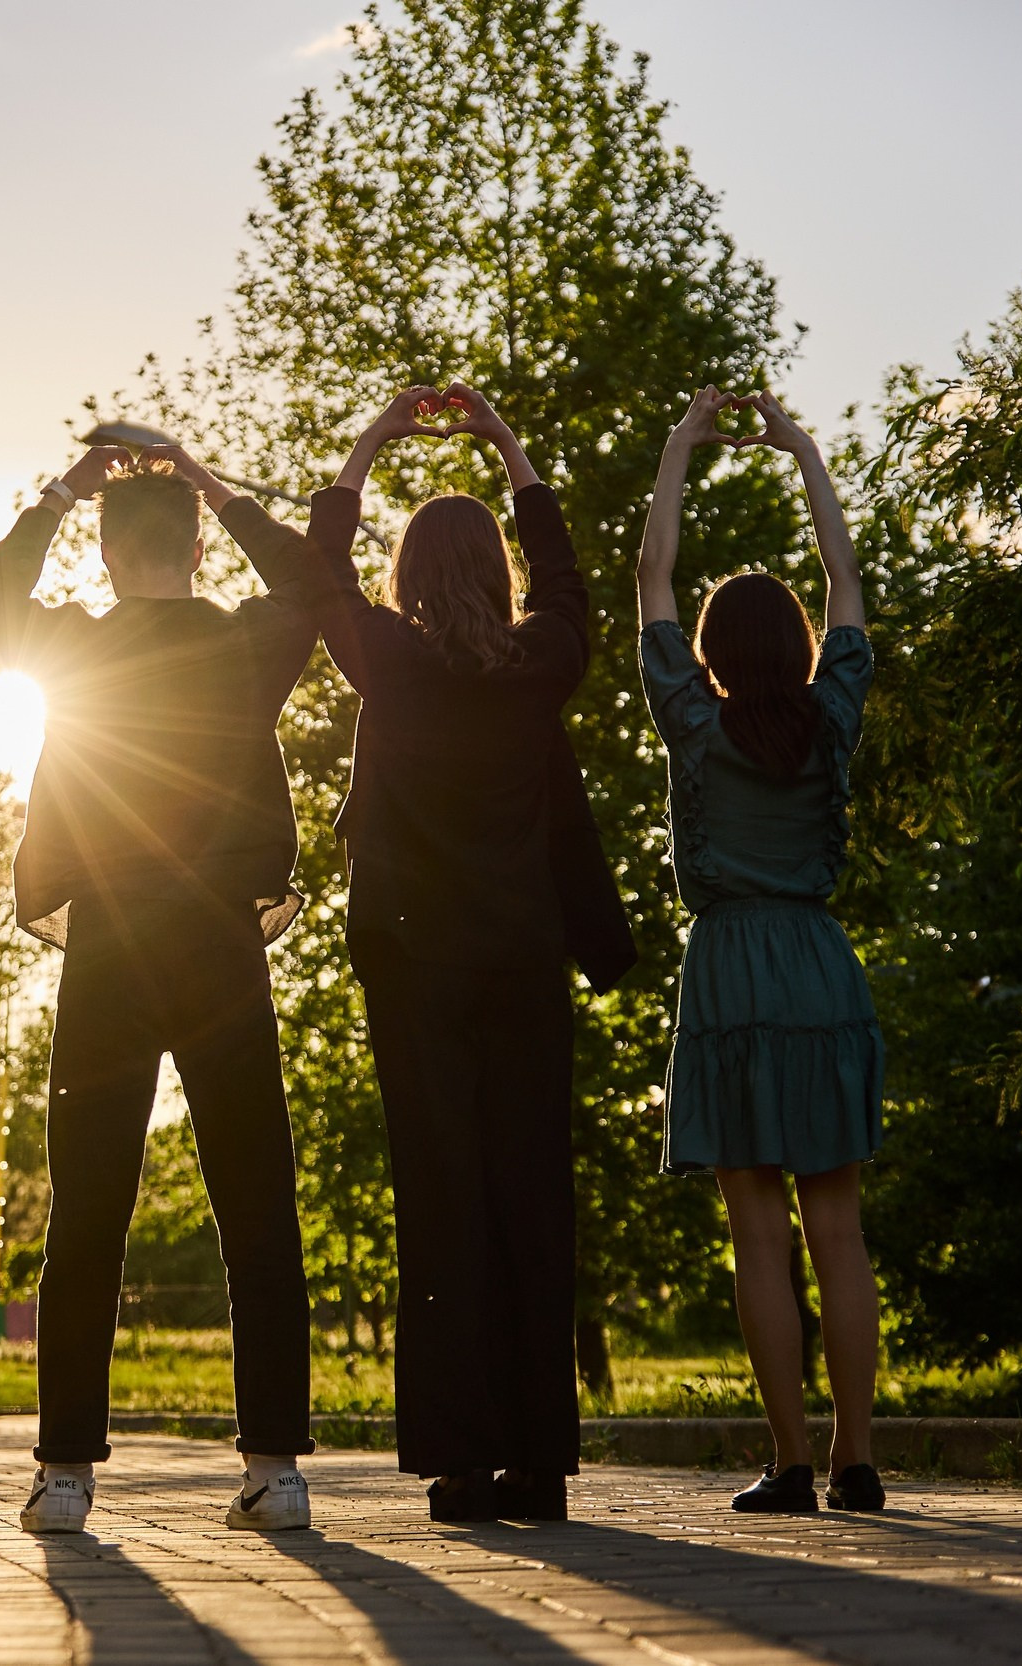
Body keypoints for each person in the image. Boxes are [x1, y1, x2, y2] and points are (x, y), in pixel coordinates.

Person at [0, 441, 342, 1535]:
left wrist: (58, 491)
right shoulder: (243, 642)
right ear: (192, 544)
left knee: (89, 1206)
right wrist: (211, 480)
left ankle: (67, 1479)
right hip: (220, 941)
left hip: (110, 944)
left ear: (100, 548)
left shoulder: (74, 649)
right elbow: (317, 581)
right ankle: (276, 1469)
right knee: (255, 1202)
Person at [309, 384, 635, 1525]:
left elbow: (320, 575)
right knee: (532, 1195)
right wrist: (506, 446)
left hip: (417, 970)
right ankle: (540, 1462)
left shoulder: (389, 667)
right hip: (522, 962)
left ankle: (458, 1464)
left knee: (440, 1198)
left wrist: (369, 440)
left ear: (409, 579)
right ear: (495, 575)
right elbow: (570, 585)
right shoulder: (538, 664)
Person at [637, 388, 886, 1515]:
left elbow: (652, 580)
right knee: (836, 1224)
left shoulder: (694, 723)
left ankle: (789, 1460)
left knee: (757, 1230)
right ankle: (857, 1457)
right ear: (793, 645)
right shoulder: (832, 714)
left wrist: (682, 448)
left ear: (712, 654)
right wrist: (802, 455)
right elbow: (845, 585)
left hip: (732, 970)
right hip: (823, 968)